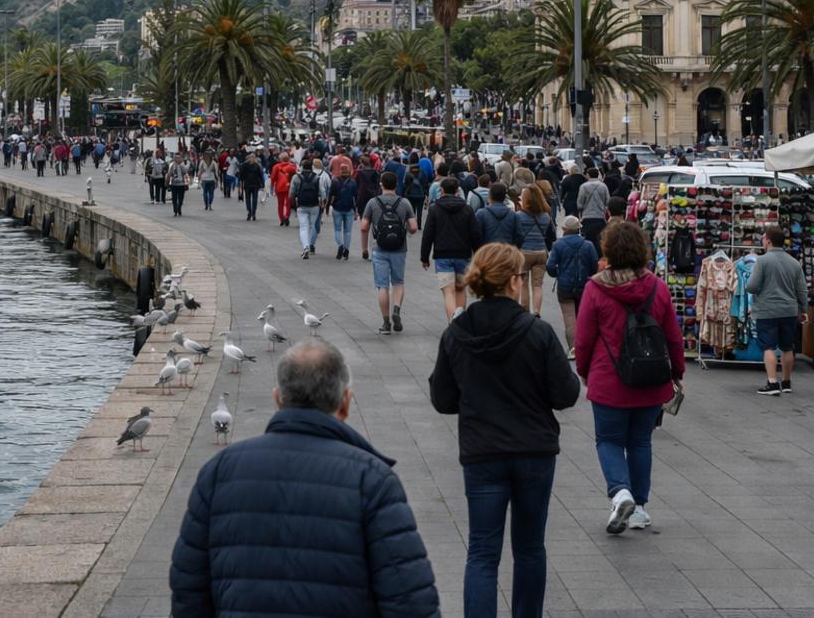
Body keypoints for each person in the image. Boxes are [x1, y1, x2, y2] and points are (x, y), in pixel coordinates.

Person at [169, 340, 440, 617]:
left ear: (278, 399)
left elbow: (188, 588)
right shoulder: (372, 479)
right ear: (345, 402)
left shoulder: (219, 471)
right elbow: (409, 600)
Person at [429, 243, 581, 618]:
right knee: (529, 548)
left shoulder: (456, 333)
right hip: (534, 451)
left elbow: (442, 399)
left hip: (482, 453)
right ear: (514, 282)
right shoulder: (538, 332)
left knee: (482, 551)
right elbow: (566, 394)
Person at [574, 221, 686, 534]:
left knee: (609, 440)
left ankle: (620, 491)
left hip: (609, 378)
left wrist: (584, 371)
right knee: (640, 441)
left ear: (608, 250)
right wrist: (677, 372)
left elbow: (583, 339)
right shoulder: (657, 287)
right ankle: (638, 508)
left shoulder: (596, 288)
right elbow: (673, 336)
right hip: (651, 379)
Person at [748, 224, 809, 396]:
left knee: (768, 347)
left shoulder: (762, 261)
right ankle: (787, 382)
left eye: (763, 238)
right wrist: (803, 310)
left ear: (768, 241)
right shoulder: (794, 263)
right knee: (787, 347)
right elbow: (802, 290)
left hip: (767, 310)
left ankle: (772, 382)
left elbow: (751, 286)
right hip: (789, 310)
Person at [360, 170, 419, 335]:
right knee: (398, 282)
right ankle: (397, 310)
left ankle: (386, 323)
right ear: (396, 185)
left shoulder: (373, 202)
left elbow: (364, 227)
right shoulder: (404, 203)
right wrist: (406, 231)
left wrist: (364, 249)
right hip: (399, 248)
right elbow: (414, 227)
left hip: (379, 248)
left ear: (381, 184)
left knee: (382, 286)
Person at [419, 176, 480, 320]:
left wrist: (424, 257)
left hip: (442, 255)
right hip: (463, 254)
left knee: (448, 292)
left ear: (441, 190)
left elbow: (428, 234)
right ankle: (460, 321)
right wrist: (478, 255)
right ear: (457, 191)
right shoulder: (467, 209)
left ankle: (452, 322)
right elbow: (475, 234)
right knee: (460, 289)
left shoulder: (435, 209)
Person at [546, 215, 599, 356]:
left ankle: (573, 349)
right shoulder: (588, 245)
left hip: (565, 286)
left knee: (569, 319)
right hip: (584, 286)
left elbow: (550, 267)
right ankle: (586, 346)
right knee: (584, 317)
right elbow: (594, 266)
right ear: (578, 229)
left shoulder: (558, 245)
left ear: (564, 229)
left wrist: (558, 273)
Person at [515, 183, 557, 318]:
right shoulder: (545, 216)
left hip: (524, 252)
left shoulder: (518, 216)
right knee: (538, 285)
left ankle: (525, 311)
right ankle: (537, 312)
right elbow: (552, 236)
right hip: (540, 251)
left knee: (523, 284)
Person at [290, 159, 330, 259]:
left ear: (302, 167)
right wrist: (323, 201)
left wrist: (293, 202)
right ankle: (311, 244)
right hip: (314, 205)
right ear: (312, 167)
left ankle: (305, 247)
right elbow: (322, 192)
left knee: (303, 227)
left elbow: (291, 192)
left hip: (301, 205)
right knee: (312, 226)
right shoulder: (317, 177)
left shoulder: (296, 177)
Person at [328, 161, 360, 260]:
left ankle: (340, 245)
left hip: (337, 208)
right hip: (349, 208)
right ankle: (346, 250)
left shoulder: (335, 181)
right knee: (348, 231)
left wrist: (328, 207)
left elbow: (331, 195)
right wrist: (356, 209)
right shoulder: (353, 182)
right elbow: (356, 196)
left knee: (337, 229)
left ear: (340, 170)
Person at [474, 183, 522, 248]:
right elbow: (519, 236)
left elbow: (476, 236)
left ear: (490, 196)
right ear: (504, 197)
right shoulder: (513, 215)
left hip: (487, 251)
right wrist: (512, 249)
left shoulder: (481, 214)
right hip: (507, 250)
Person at [577, 166, 610, 246]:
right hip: (600, 216)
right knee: (599, 240)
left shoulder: (583, 186)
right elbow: (608, 201)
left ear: (588, 175)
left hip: (587, 217)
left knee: (588, 240)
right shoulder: (603, 186)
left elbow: (579, 204)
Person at [271, 153, 297, 227]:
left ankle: (281, 219)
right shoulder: (292, 166)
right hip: (289, 186)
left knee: (280, 204)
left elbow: (273, 178)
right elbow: (295, 176)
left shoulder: (276, 166)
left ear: (280, 159)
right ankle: (287, 216)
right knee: (288, 204)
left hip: (279, 187)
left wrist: (272, 186)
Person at [237, 152, 265, 221]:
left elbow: (241, 175)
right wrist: (262, 184)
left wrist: (240, 181)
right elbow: (260, 175)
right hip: (256, 184)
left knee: (248, 199)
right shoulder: (257, 165)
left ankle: (249, 212)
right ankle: (253, 213)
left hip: (247, 184)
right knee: (254, 199)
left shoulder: (244, 165)